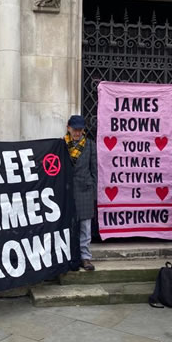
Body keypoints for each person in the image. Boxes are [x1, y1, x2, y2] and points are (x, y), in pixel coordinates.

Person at [66, 115, 97, 271]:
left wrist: (93, 192)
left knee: (85, 227)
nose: (77, 133)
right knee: (69, 226)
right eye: (74, 129)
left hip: (85, 190)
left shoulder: (90, 146)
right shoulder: (61, 145)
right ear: (68, 128)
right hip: (68, 190)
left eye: (80, 130)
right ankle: (71, 257)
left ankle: (85, 258)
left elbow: (95, 170)